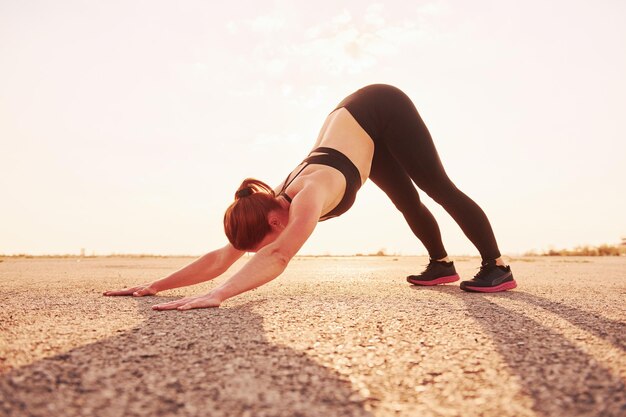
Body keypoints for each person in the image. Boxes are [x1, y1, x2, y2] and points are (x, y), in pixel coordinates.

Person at [103, 84, 516, 310]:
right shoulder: (267, 206)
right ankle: (441, 265)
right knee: (405, 202)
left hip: (382, 106)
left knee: (436, 188)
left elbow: (279, 256)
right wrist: (156, 286)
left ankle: (497, 266)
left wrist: (219, 294)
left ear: (274, 221)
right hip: (361, 131)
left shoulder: (309, 195)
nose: (260, 251)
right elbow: (221, 257)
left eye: (263, 242)